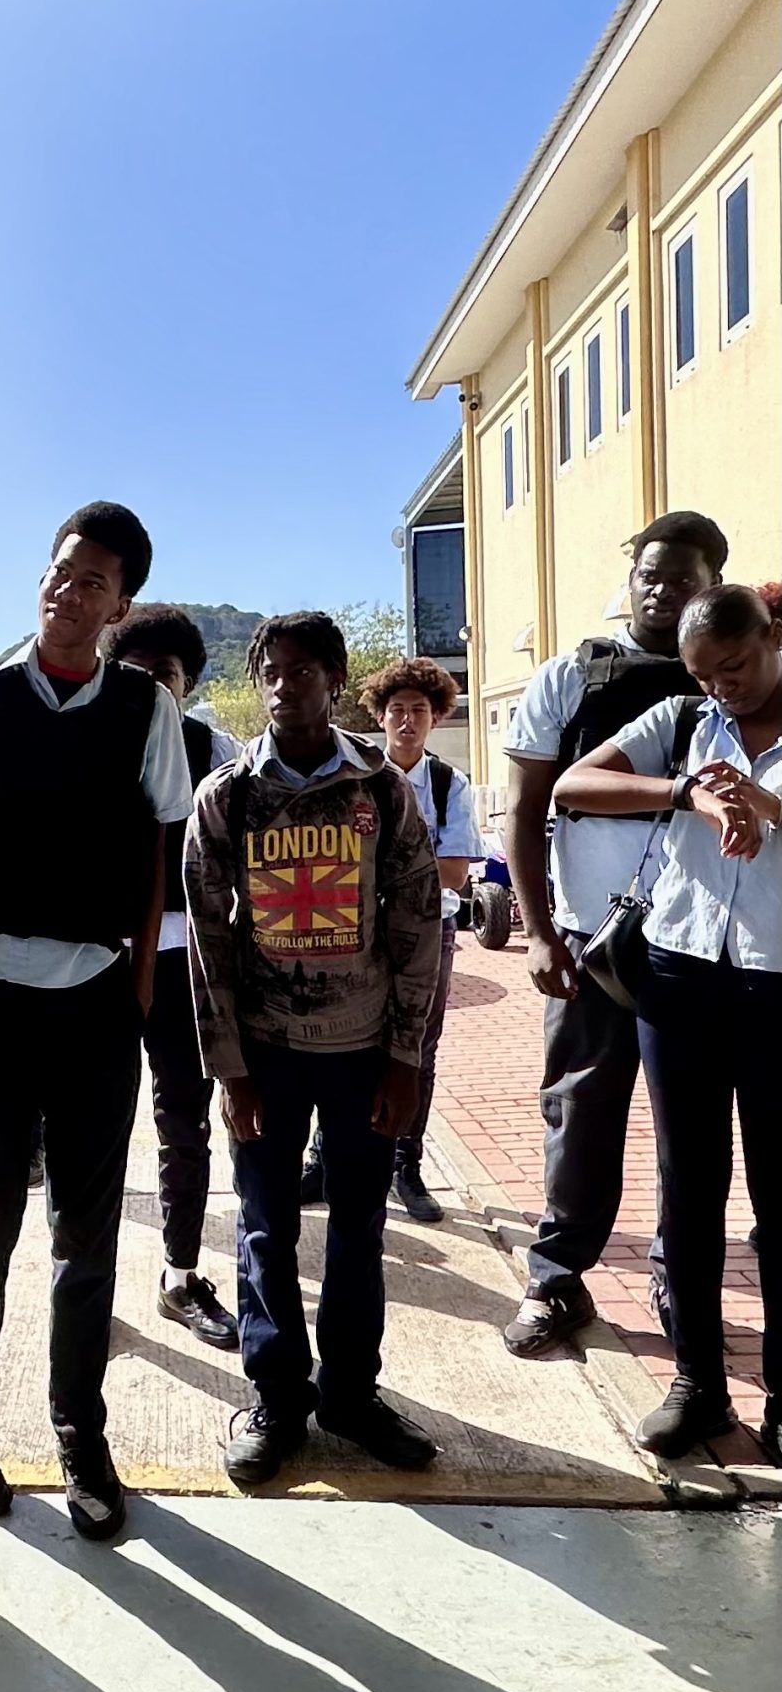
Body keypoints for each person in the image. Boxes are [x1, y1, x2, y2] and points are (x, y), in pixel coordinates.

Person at [0, 502, 195, 1540]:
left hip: (92, 1000)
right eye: (59, 571)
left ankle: (79, 1428)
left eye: (91, 583)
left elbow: (156, 846)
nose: (67, 591)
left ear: (120, 605)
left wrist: (139, 984)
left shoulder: (140, 708)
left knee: (85, 1236)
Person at [185, 614, 446, 1489]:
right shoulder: (227, 798)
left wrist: (406, 1056)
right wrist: (227, 1065)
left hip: (364, 1048)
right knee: (265, 1230)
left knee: (360, 1231)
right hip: (266, 1053)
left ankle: (351, 1395)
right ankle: (277, 1399)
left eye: (303, 670)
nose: (282, 683)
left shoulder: (383, 790)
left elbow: (416, 926)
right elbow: (209, 947)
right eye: (270, 668)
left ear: (336, 680)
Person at [555, 583, 782, 1465]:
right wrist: (688, 791)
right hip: (681, 979)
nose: (720, 686)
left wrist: (760, 805)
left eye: (734, 665)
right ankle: (697, 1385)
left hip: (776, 988)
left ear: (772, 634)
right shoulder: (685, 719)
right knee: (690, 1188)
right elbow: (577, 784)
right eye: (702, 672)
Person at [501, 511, 727, 1356]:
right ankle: (557, 1280)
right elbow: (527, 811)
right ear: (630, 576)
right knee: (582, 1111)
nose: (664, 588)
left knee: (690, 1129)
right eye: (653, 573)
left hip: (702, 954)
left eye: (685, 577)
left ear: (714, 588)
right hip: (591, 947)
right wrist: (536, 933)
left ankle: (680, 1281)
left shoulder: (731, 685)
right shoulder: (576, 675)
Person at [299, 659, 484, 1222]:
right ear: (379, 716)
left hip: (429, 933)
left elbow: (455, 874)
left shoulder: (451, 785)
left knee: (416, 1050)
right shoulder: (356, 780)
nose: (407, 721)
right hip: (357, 932)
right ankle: (321, 1160)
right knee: (336, 1043)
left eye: (419, 711)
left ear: (436, 718)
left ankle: (406, 1164)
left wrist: (383, 868)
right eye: (397, 710)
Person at [106, 603, 243, 1351]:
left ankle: (179, 1275)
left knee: (183, 1123)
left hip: (184, 958)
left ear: (188, 683)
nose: (153, 688)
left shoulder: (213, 747)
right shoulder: (87, 736)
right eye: (139, 673)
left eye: (167, 675)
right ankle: (83, 1284)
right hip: (94, 960)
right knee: (86, 1127)